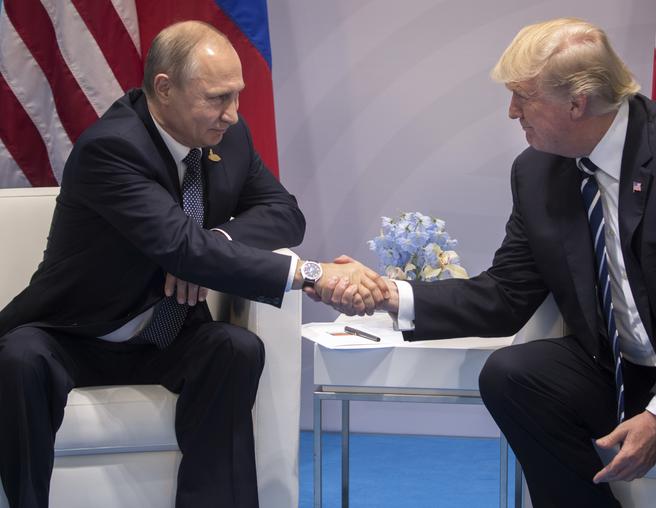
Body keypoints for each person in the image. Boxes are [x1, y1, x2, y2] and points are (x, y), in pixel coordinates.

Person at [319, 18, 656, 508]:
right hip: (628, 363)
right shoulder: (537, 171)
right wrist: (388, 294)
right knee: (512, 373)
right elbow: (507, 294)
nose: (511, 112)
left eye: (522, 97)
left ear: (577, 102)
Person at [0, 21, 385, 508]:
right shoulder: (112, 148)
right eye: (217, 98)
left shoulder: (228, 135)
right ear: (164, 88)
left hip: (165, 335)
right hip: (74, 334)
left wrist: (212, 243)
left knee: (235, 348)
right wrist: (314, 274)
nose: (233, 114)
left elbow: (285, 214)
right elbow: (181, 249)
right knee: (19, 359)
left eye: (237, 96)